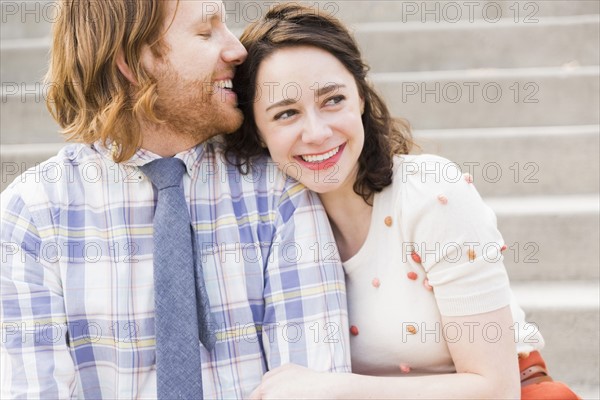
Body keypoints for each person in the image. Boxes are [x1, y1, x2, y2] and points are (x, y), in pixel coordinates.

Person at [224, 3, 581, 399]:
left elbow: (496, 389)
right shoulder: (274, 218)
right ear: (257, 132)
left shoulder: (432, 195)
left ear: (360, 97)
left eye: (332, 100)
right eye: (286, 113)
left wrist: (335, 389)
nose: (317, 132)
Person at [0, 1, 351, 398]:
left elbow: (315, 385)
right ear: (132, 62)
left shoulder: (277, 193)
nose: (238, 50)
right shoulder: (31, 216)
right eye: (206, 32)